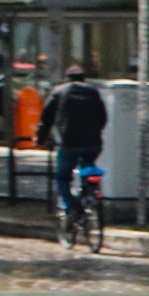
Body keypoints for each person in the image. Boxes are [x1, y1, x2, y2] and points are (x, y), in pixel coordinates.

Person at [38, 64, 108, 221]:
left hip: (69, 143)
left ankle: (74, 207)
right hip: (93, 143)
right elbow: (103, 117)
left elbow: (46, 118)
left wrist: (41, 139)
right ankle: (91, 192)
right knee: (87, 166)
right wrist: (95, 132)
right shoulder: (93, 92)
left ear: (67, 78)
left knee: (63, 177)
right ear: (83, 78)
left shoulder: (59, 91)